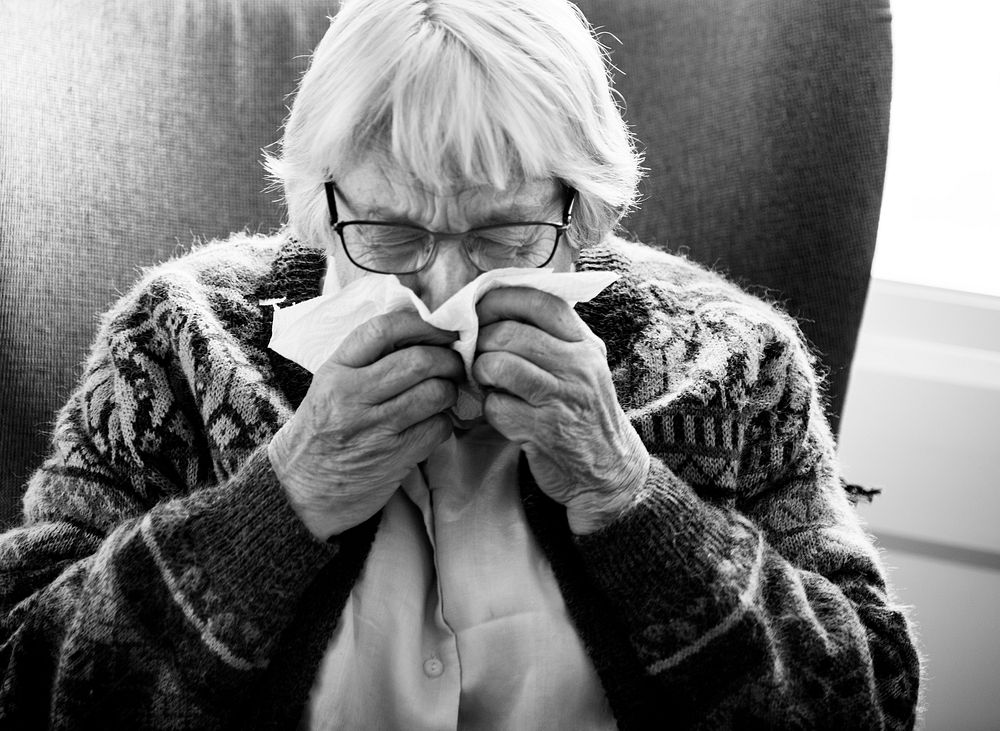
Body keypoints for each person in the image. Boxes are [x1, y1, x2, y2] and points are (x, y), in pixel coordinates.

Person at [0, 0, 920, 728]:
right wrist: (280, 504)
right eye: (391, 233)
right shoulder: (178, 349)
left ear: (583, 215)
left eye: (502, 235)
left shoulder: (737, 366)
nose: (443, 289)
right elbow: (20, 675)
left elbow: (871, 699)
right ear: (321, 207)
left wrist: (630, 498)